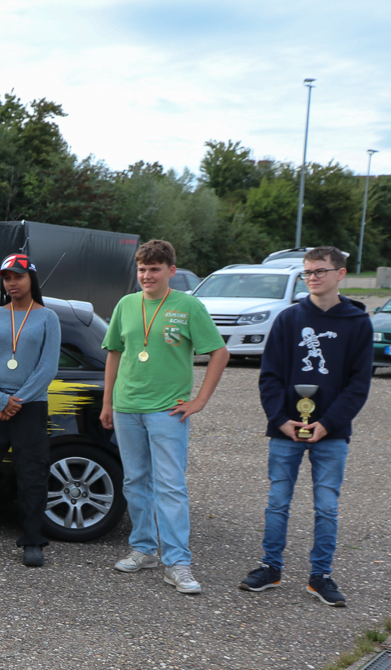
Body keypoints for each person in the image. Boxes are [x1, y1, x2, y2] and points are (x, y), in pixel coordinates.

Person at [240, 246, 372, 607]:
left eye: (319, 271)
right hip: (286, 431)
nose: (312, 278)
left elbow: (359, 384)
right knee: (277, 503)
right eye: (307, 272)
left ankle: (320, 576)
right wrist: (280, 420)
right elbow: (269, 377)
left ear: (340, 274)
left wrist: (327, 424)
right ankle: (270, 567)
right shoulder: (288, 319)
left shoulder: (358, 322)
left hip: (332, 434)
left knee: (326, 506)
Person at [102, 239, 228, 595]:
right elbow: (114, 353)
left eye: (154, 269)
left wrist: (200, 400)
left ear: (171, 271)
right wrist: (108, 402)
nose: (147, 276)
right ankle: (143, 549)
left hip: (167, 410)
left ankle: (177, 562)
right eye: (142, 269)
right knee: (134, 482)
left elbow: (219, 353)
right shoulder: (126, 304)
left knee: (170, 486)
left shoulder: (188, 306)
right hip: (127, 407)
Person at [0, 254, 60, 567]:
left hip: (30, 406)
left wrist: (17, 401)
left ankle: (32, 539)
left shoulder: (48, 318)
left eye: (18, 276)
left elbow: (48, 367)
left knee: (32, 472)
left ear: (32, 279)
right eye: (7, 278)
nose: (12, 283)